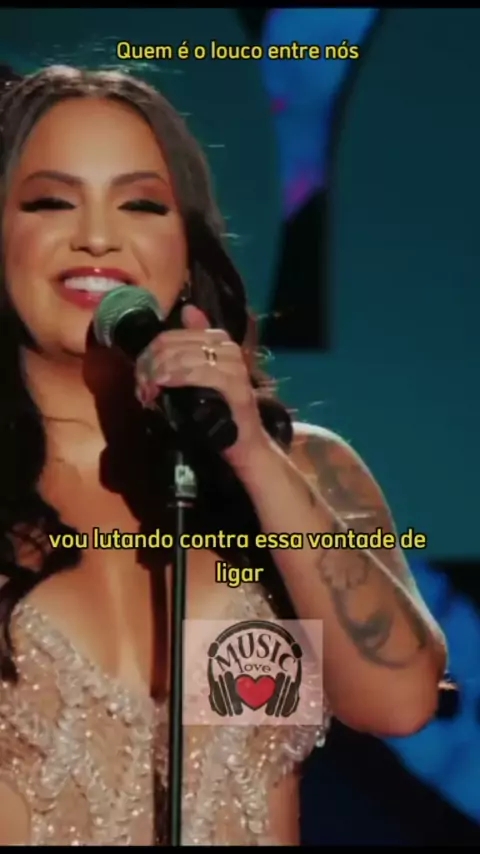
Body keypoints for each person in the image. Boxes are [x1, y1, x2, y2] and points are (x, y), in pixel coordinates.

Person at [0, 65, 446, 846]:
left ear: (186, 246)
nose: (98, 236)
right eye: (51, 202)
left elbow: (399, 700)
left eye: (141, 204)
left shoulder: (302, 469)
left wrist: (251, 456)